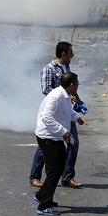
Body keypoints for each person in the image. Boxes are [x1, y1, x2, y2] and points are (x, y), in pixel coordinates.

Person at [29, 42, 84, 190]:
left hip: (67, 112)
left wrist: (76, 99)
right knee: (44, 146)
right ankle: (35, 176)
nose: (73, 55)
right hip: (55, 114)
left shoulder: (66, 67)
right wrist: (63, 96)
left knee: (73, 143)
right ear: (63, 54)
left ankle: (67, 177)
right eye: (70, 52)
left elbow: (70, 88)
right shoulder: (49, 69)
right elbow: (46, 90)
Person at [34, 72, 86, 216]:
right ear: (72, 85)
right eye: (77, 83)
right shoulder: (56, 96)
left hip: (54, 137)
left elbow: (67, 112)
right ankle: (43, 206)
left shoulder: (65, 96)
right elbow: (46, 117)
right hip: (48, 137)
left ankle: (41, 195)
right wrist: (63, 131)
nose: (78, 85)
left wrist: (77, 118)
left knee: (58, 167)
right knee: (54, 171)